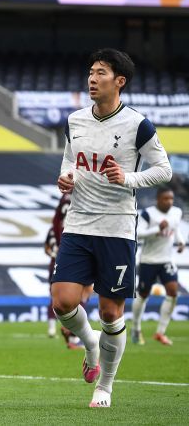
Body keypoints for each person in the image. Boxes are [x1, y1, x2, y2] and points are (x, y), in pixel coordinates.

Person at [52, 48, 172, 408]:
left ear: (119, 81)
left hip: (117, 228)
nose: (92, 78)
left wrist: (128, 178)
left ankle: (104, 386)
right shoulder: (75, 120)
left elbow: (164, 170)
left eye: (100, 73)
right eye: (90, 72)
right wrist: (65, 176)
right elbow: (70, 160)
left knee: (110, 312)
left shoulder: (138, 124)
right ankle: (90, 345)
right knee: (63, 301)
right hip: (78, 223)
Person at [131, 186, 185, 346]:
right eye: (165, 199)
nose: (169, 202)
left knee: (173, 292)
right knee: (143, 294)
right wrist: (157, 229)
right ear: (158, 199)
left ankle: (160, 332)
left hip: (167, 260)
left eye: (171, 199)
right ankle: (136, 329)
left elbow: (175, 229)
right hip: (148, 260)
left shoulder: (176, 212)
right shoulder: (148, 214)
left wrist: (180, 242)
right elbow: (138, 233)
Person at [44, 192, 92, 349]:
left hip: (65, 252)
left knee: (59, 295)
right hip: (78, 246)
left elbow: (55, 220)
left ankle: (67, 333)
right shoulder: (87, 194)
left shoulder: (64, 199)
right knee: (83, 292)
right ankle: (70, 332)